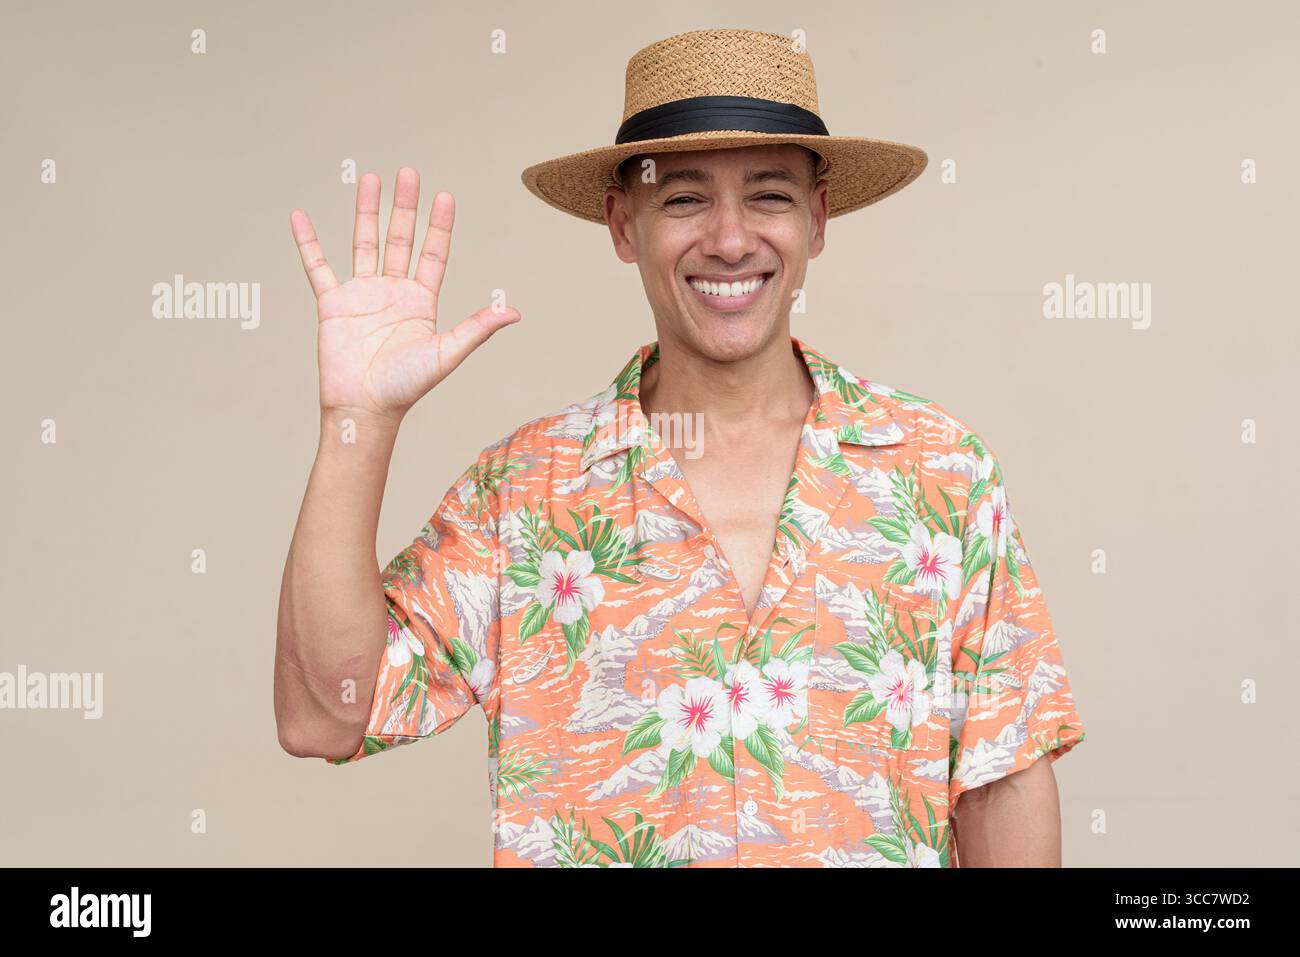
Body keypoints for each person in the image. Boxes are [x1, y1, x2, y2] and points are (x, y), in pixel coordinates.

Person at [274, 28, 1086, 867]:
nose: (730, 240)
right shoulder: (524, 494)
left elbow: (999, 777)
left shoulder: (940, 471)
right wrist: (358, 422)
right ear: (623, 224)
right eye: (685, 198)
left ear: (818, 218)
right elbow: (324, 714)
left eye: (769, 195)